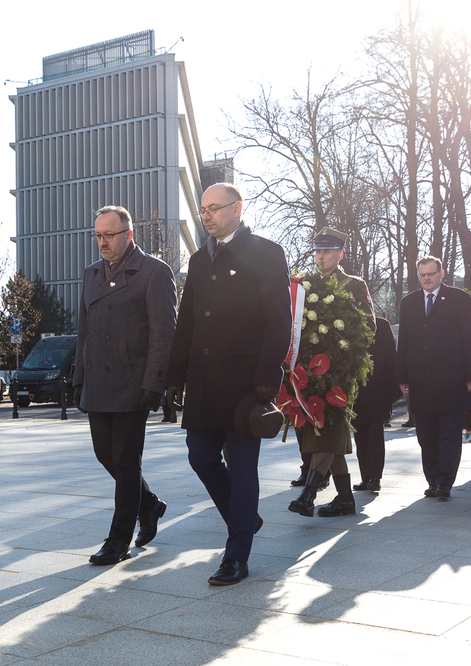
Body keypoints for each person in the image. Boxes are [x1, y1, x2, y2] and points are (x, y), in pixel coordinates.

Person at [165, 183, 291, 585]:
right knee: (200, 457)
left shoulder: (266, 253)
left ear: (237, 209)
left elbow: (279, 321)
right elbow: (187, 323)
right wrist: (174, 376)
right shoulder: (200, 260)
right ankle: (244, 515)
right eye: (202, 210)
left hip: (245, 386)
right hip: (203, 382)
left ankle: (236, 555)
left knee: (243, 468)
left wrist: (268, 379)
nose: (206, 216)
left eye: (213, 209)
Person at [73, 205, 177, 565]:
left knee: (125, 461)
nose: (102, 242)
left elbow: (165, 334)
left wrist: (155, 384)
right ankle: (149, 504)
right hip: (99, 380)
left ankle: (119, 539)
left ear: (129, 235)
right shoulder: (90, 274)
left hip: (133, 384)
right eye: (98, 235)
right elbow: (83, 331)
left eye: (109, 235)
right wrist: (78, 378)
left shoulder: (153, 272)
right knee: (106, 456)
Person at [287, 228, 376, 517]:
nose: (320, 257)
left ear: (340, 254)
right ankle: (345, 498)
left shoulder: (353, 285)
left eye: (326, 252)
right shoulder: (306, 286)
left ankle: (309, 494)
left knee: (329, 427)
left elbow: (369, 328)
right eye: (317, 251)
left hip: (339, 373)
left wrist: (343, 347)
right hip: (309, 371)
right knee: (324, 428)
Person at [397, 256, 471, 499]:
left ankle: (444, 482)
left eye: (431, 274)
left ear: (441, 273)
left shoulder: (458, 298)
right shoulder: (409, 302)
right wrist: (402, 376)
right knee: (426, 436)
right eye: (422, 275)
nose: (427, 278)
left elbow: (469, 337)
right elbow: (404, 341)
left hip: (452, 380)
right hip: (421, 381)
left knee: (449, 434)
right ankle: (433, 479)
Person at [351, 317, 400, 492]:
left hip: (377, 389)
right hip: (356, 391)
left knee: (374, 436)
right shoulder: (348, 321)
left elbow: (391, 357)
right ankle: (365, 476)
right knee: (360, 436)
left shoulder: (381, 324)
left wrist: (393, 391)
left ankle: (375, 477)